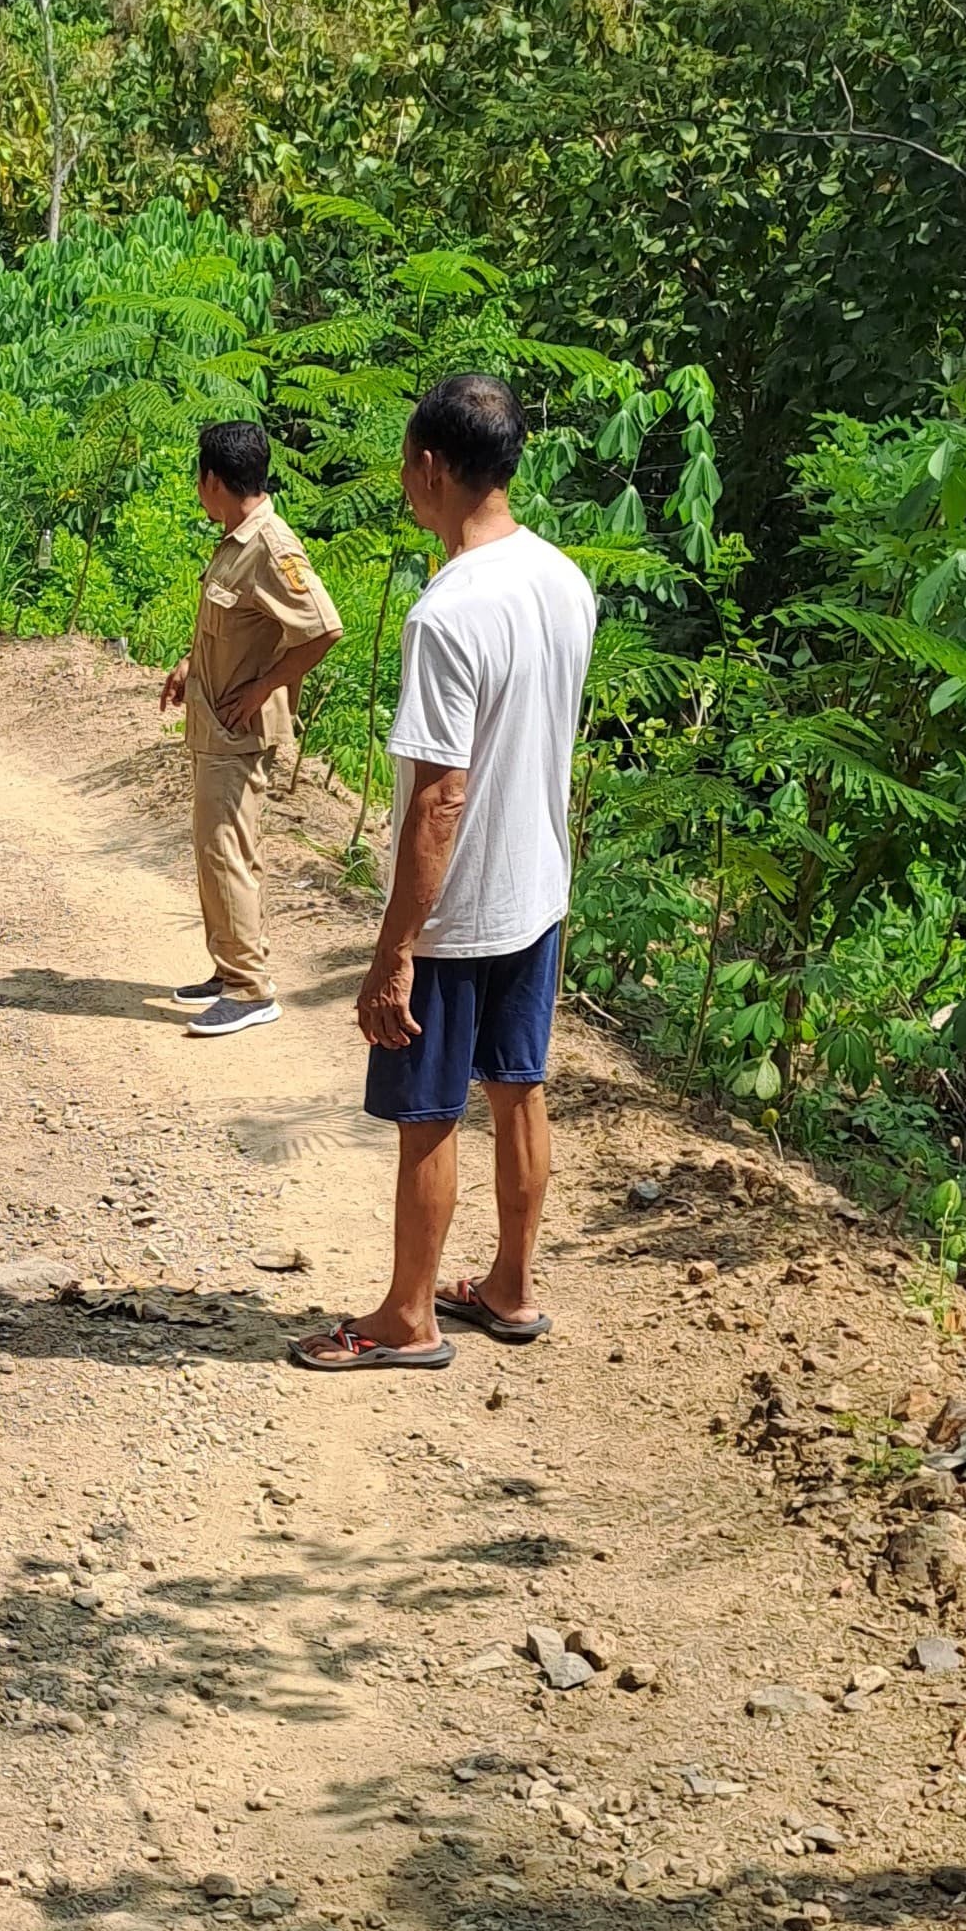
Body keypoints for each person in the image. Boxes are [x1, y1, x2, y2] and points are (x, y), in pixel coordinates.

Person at [292, 369, 596, 1373]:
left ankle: (407, 1317)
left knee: (429, 1113)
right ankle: (510, 1285)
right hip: (537, 888)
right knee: (519, 1086)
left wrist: (394, 954)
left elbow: (438, 800)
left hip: (459, 911)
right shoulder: (564, 578)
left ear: (428, 467)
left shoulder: (447, 613)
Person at [159, 418, 343, 1039]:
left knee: (227, 852)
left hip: (239, 731)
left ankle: (248, 987)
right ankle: (229, 965)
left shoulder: (270, 545)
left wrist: (266, 687)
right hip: (215, 722)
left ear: (213, 480)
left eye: (198, 479)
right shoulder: (237, 538)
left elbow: (323, 628)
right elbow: (236, 628)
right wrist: (192, 665)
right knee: (221, 852)